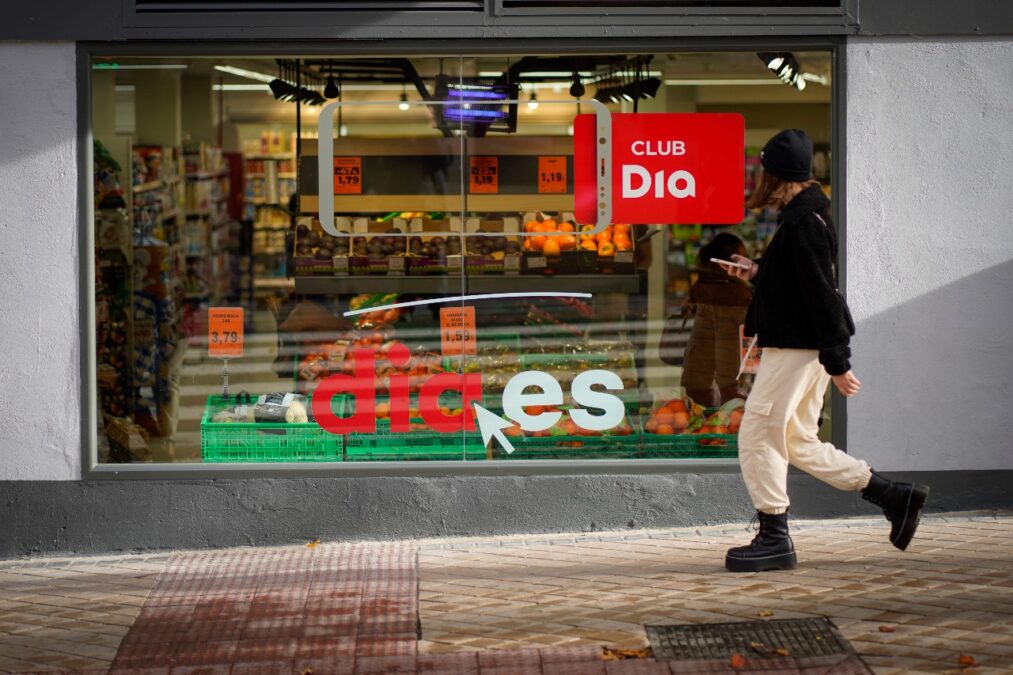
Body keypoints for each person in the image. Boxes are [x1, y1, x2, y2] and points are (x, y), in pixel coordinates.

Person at [718, 129, 929, 573]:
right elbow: (798, 283)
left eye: (763, 171)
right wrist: (757, 272)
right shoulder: (801, 218)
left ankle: (774, 537)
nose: (758, 179)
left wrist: (838, 361)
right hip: (800, 346)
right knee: (796, 440)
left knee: (758, 434)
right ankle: (892, 495)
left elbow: (822, 296)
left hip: (796, 349)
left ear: (776, 175)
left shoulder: (805, 223)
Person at [681, 233, 753, 407]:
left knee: (699, 403)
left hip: (698, 379)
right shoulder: (738, 295)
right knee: (730, 402)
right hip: (728, 381)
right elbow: (730, 358)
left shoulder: (701, 286)